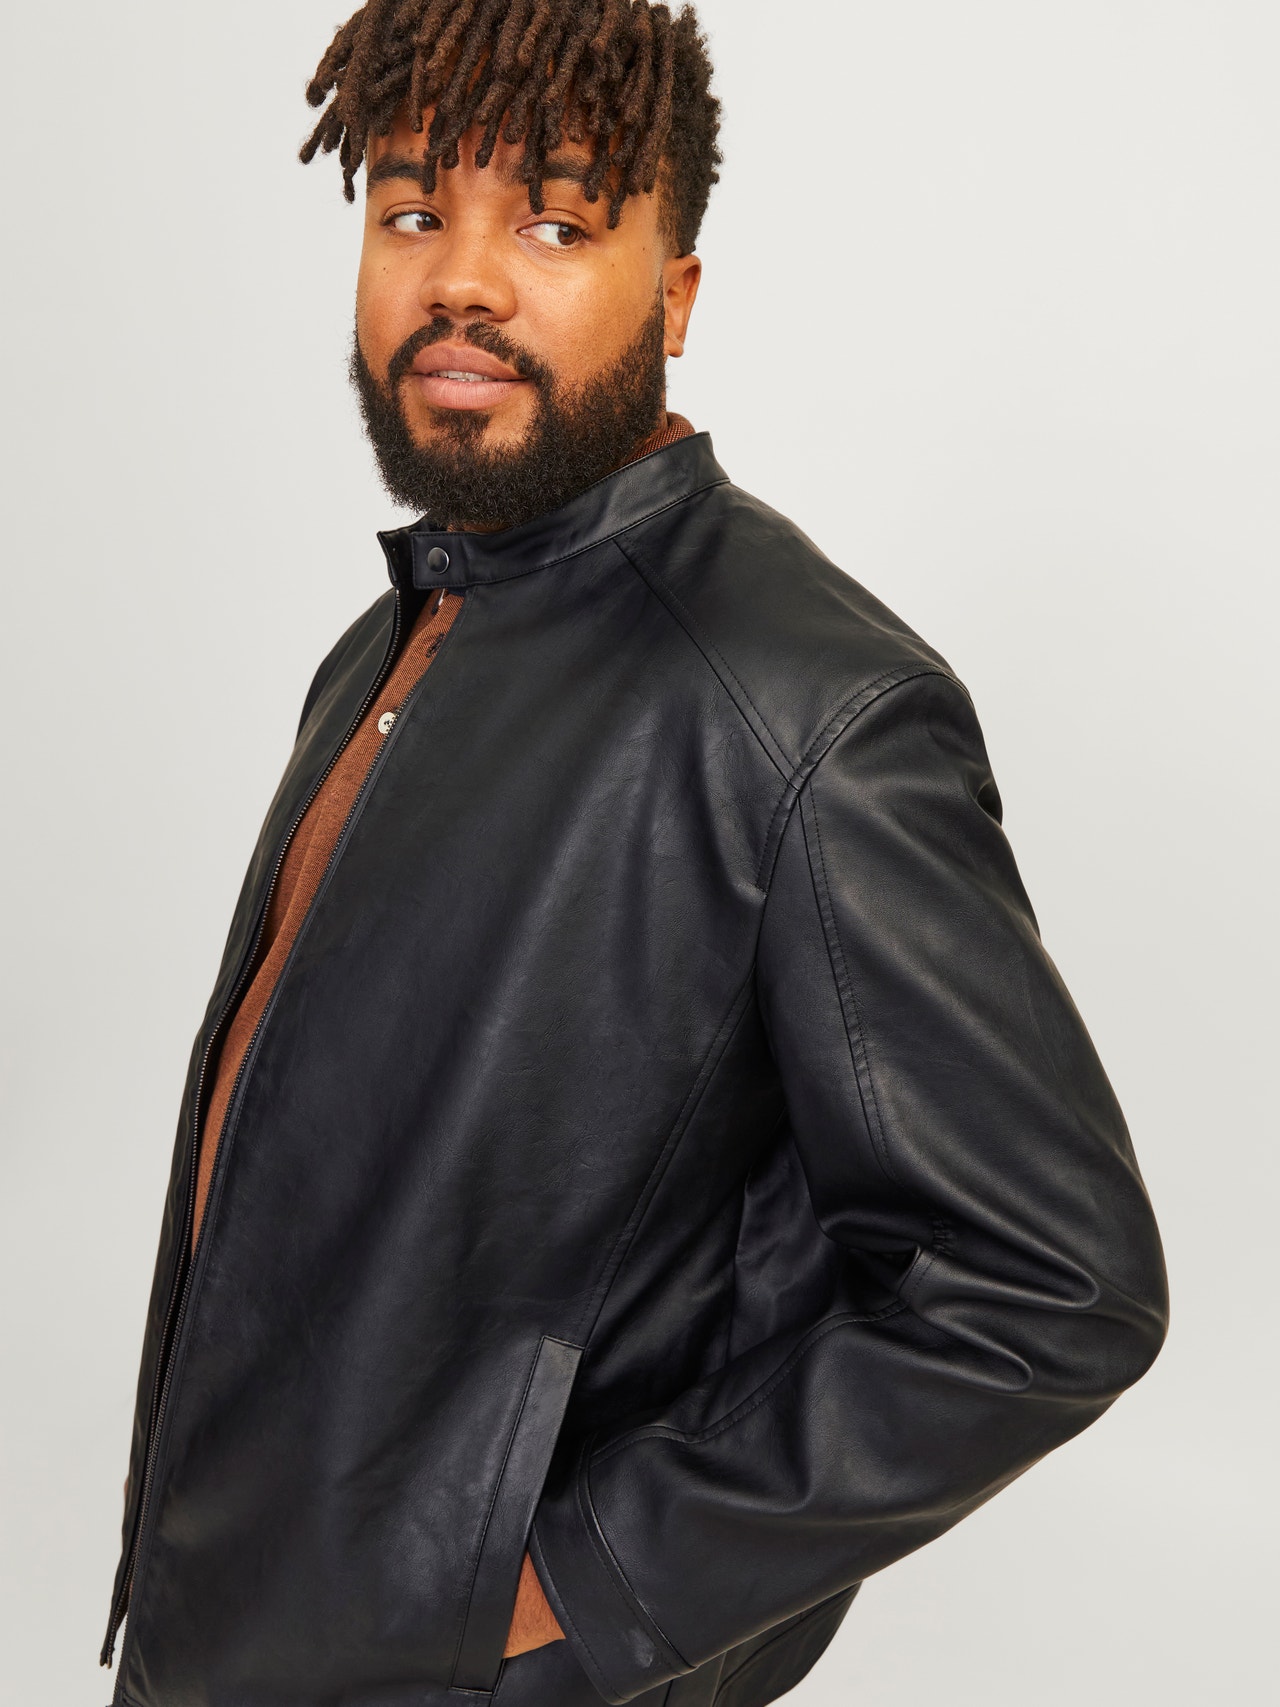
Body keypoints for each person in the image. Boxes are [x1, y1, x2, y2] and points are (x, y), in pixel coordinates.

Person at [101, 4, 1168, 1705]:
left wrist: (570, 1583)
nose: (461, 279)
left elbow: (1052, 1288)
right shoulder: (393, 642)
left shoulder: (804, 710)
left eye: (554, 221)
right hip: (227, 1643)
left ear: (674, 296)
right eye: (410, 210)